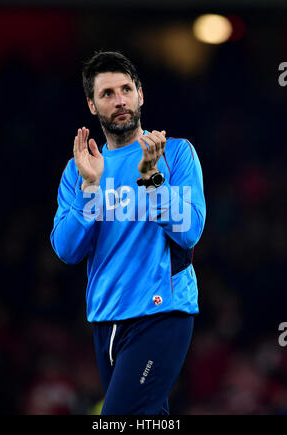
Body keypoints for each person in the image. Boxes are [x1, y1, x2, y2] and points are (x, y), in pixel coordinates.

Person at [50, 51, 206, 415]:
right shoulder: (79, 169)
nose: (119, 100)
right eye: (107, 93)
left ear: (140, 94)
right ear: (92, 104)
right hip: (106, 318)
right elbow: (67, 250)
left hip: (162, 313)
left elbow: (189, 232)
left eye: (126, 89)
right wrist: (90, 187)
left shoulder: (176, 153)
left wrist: (152, 178)